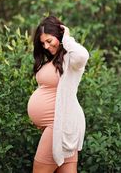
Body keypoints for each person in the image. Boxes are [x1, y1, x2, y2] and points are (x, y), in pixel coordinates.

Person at [27, 16, 89, 173]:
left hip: (60, 126)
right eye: (43, 43)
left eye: (49, 41)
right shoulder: (53, 60)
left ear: (59, 35)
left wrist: (67, 37)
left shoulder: (70, 59)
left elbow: (83, 55)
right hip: (58, 125)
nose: (46, 46)